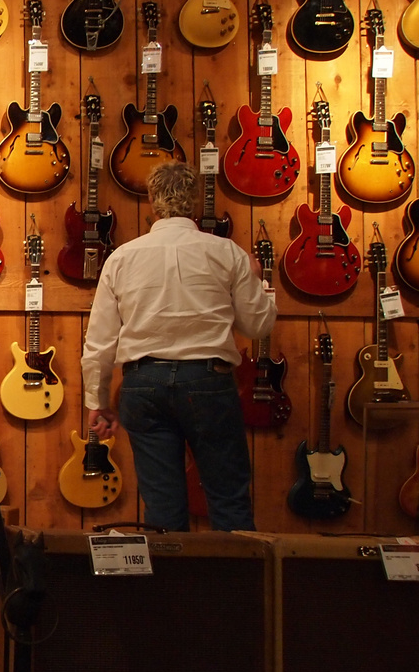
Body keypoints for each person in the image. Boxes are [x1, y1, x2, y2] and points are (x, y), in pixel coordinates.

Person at [80, 161, 277, 530]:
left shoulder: (122, 257)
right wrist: (260, 281)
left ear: (153, 201)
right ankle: (235, 589)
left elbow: (99, 342)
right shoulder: (228, 253)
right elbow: (258, 324)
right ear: (195, 201)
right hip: (208, 382)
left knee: (162, 510)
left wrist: (98, 402)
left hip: (143, 383)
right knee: (229, 499)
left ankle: (171, 588)